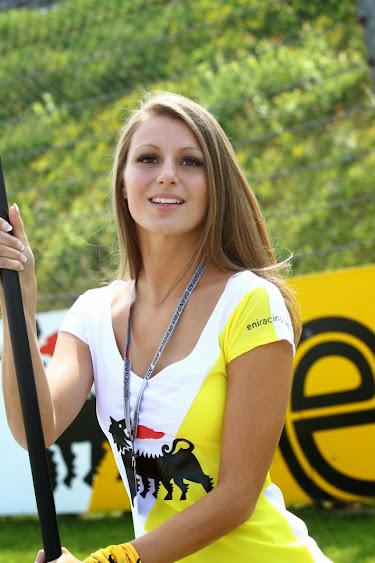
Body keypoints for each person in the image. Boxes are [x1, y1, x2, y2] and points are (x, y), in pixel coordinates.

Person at [0, 91, 332, 563]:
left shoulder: (251, 301)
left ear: (215, 185)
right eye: (148, 158)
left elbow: (236, 497)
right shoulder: (92, 314)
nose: (168, 174)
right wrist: (19, 296)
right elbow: (33, 427)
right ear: (122, 182)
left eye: (191, 161)